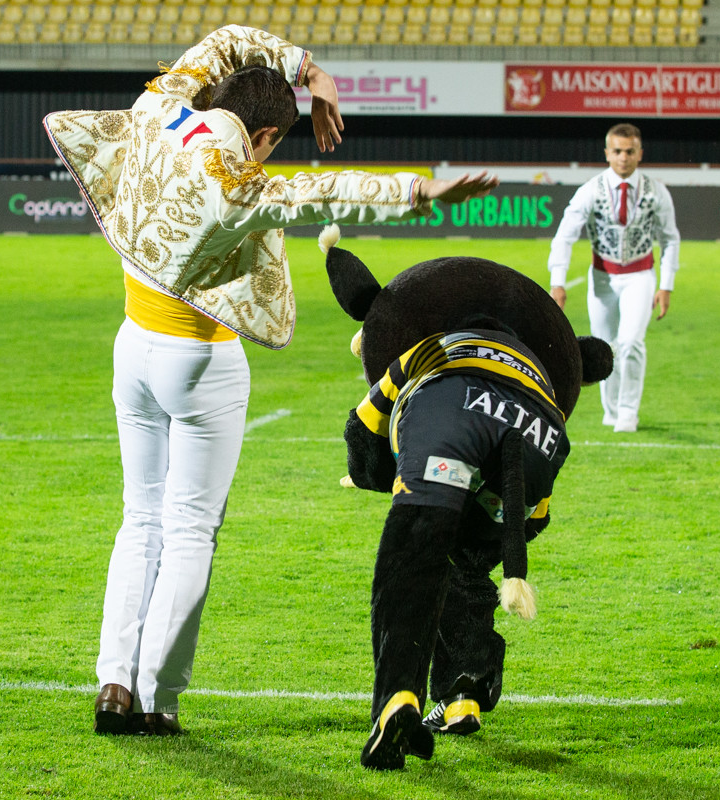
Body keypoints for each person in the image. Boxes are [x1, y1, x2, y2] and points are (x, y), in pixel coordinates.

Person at [43, 24, 499, 737]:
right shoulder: (236, 185)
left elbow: (226, 37)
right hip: (199, 360)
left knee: (140, 520)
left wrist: (307, 71)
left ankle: (112, 683)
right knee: (191, 529)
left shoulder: (158, 107)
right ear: (263, 136)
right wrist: (423, 190)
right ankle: (158, 697)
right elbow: (327, 195)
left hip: (131, 345)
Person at [546, 122, 679, 433]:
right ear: (607, 153)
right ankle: (612, 409)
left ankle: (629, 412)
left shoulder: (656, 191)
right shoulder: (590, 190)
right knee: (605, 346)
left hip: (640, 275)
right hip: (602, 277)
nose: (623, 157)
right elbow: (564, 236)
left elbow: (670, 238)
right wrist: (558, 281)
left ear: (640, 153)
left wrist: (666, 285)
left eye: (629, 151)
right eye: (617, 151)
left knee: (631, 342)